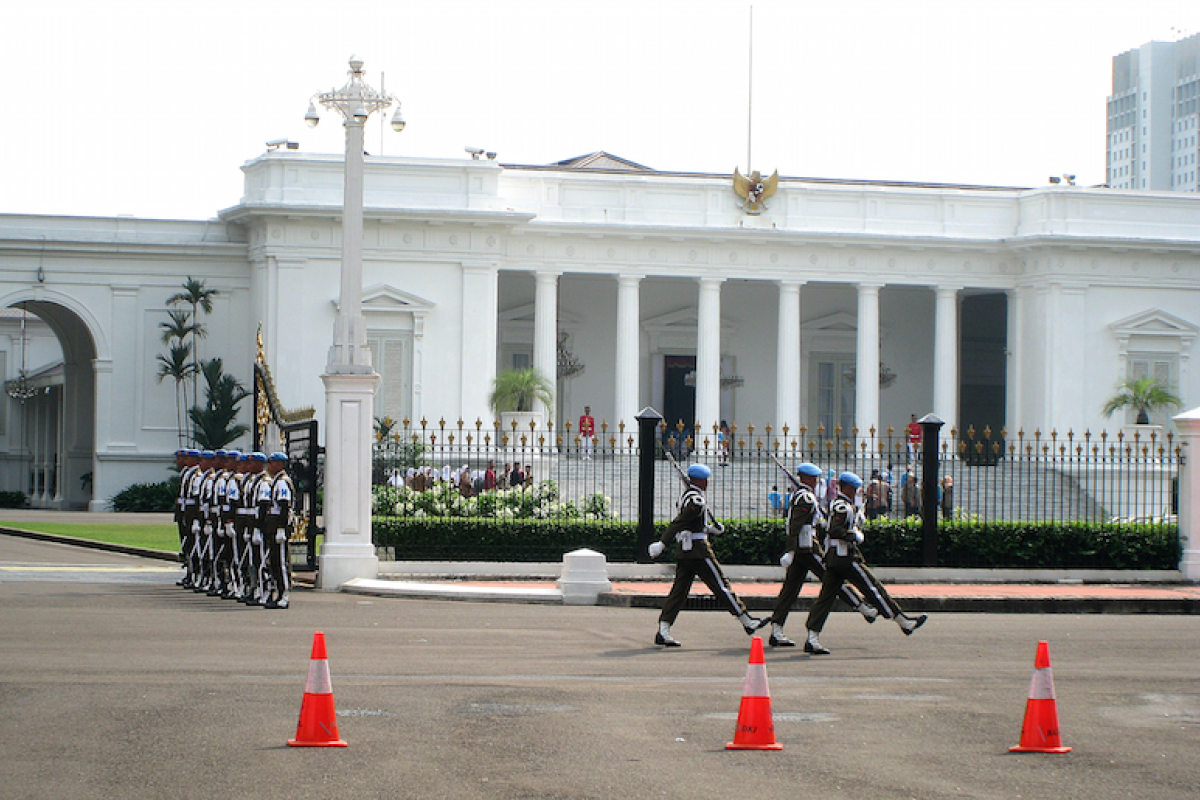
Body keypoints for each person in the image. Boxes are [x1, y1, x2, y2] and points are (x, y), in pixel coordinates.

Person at [803, 472, 927, 655]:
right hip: (844, 558)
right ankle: (902, 621)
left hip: (834, 558)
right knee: (873, 589)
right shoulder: (843, 507)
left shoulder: (843, 505)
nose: (857, 492)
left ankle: (812, 637)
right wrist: (854, 535)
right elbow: (835, 530)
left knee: (826, 598)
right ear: (848, 488)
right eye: (855, 489)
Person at [758, 463, 878, 647]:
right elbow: (796, 525)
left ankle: (777, 629)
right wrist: (791, 550)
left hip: (802, 547)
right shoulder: (805, 497)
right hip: (807, 548)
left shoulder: (803, 495)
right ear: (806, 478)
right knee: (832, 578)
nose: (816, 481)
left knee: (790, 590)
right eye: (813, 478)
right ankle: (861, 607)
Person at [647, 463, 760, 647]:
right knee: (721, 586)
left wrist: (711, 529)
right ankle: (747, 621)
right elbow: (679, 522)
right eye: (705, 479)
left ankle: (664, 629)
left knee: (679, 592)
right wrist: (662, 543)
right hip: (698, 551)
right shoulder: (695, 500)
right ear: (699, 480)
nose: (707, 482)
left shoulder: (689, 497)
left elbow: (692, 523)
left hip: (685, 551)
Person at [260, 452, 294, 609]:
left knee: (280, 562)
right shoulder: (276, 481)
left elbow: (284, 507)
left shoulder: (282, 482)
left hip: (278, 526)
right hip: (273, 525)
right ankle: (278, 592)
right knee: (274, 561)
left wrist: (281, 528)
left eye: (272, 463)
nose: (269, 466)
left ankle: (284, 593)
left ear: (280, 465)